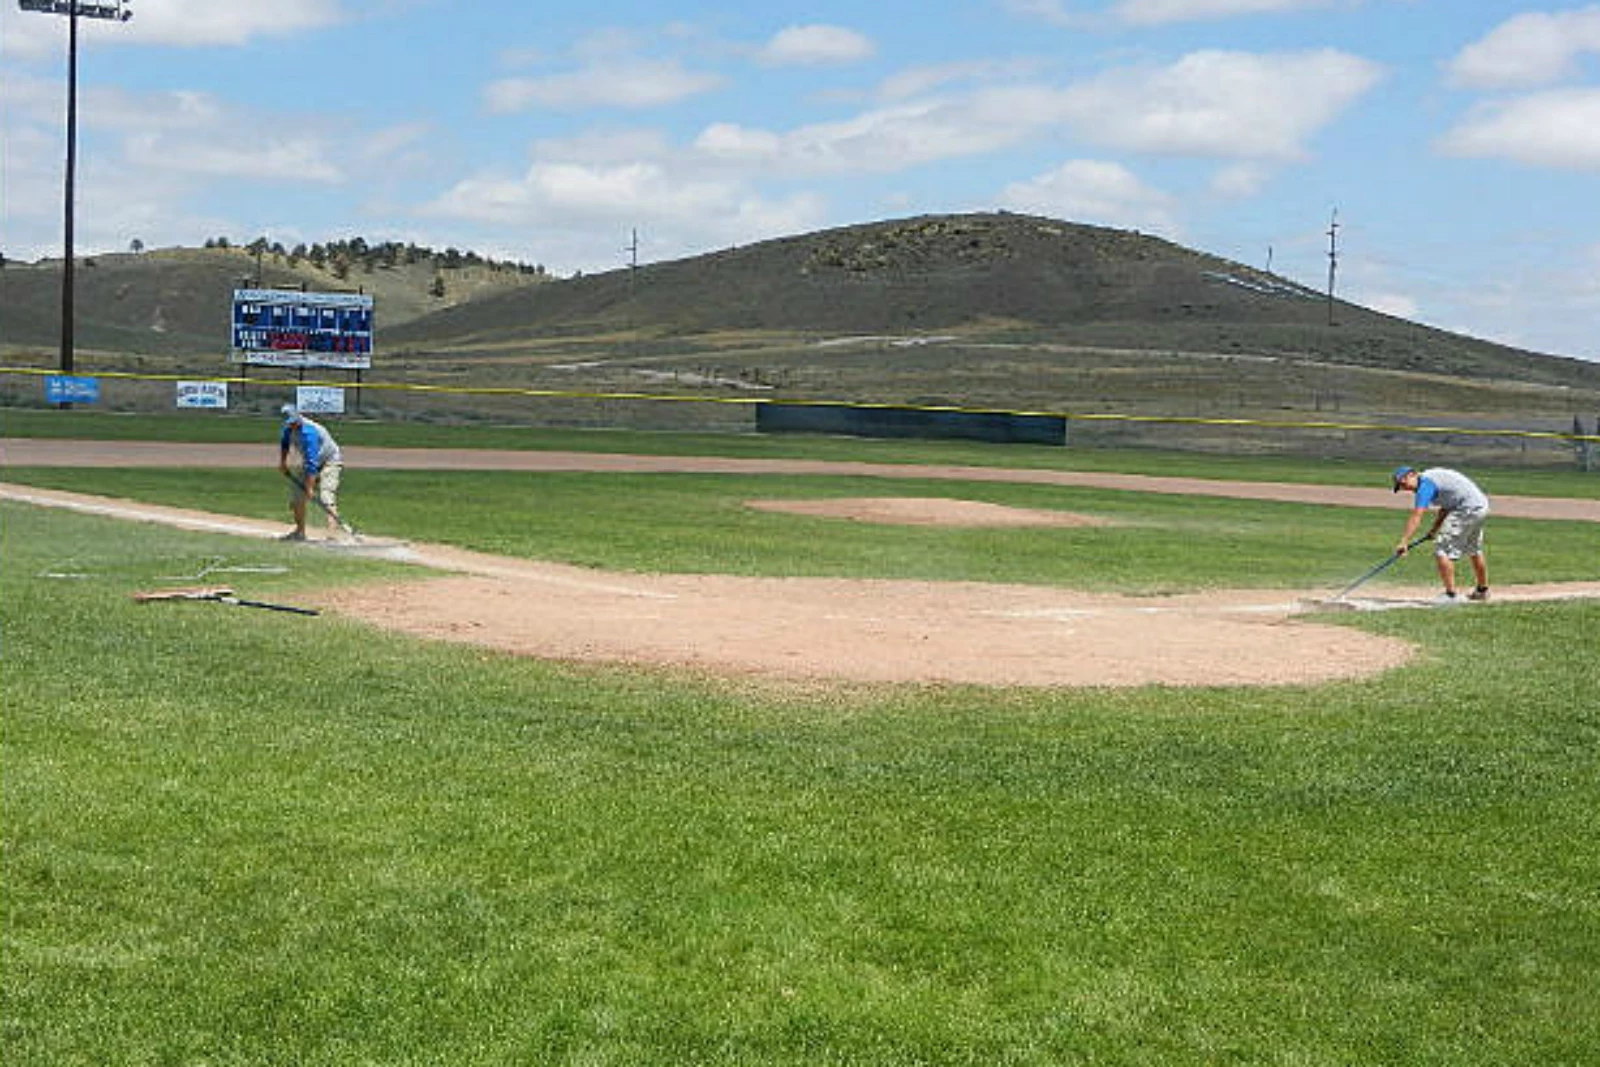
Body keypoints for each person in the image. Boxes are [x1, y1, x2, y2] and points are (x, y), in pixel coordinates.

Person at [1391, 465, 1490, 603]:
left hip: (1466, 509)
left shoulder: (1425, 485)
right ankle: (1482, 590)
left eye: (1403, 484)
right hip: (1480, 506)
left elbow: (1417, 515)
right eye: (1401, 487)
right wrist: (1434, 530)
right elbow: (1446, 507)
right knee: (1473, 549)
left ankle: (1450, 595)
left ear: (1412, 475)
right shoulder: (1432, 478)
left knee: (1442, 550)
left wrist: (1404, 542)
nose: (1405, 488)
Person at [278, 404, 345, 541]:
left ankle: (332, 535)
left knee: (326, 495)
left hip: (329, 461)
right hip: (312, 462)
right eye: (290, 423)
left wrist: (309, 488)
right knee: (297, 497)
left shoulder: (310, 433)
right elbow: (285, 444)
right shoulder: (288, 429)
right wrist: (283, 463)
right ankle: (299, 532)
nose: (293, 426)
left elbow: (312, 464)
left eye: (294, 422)